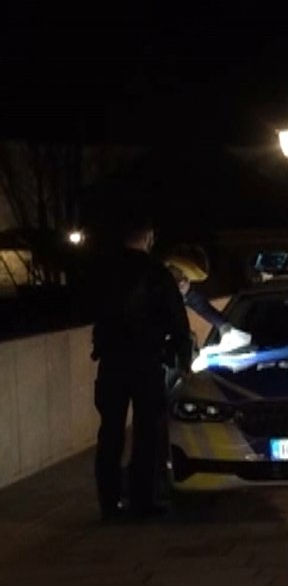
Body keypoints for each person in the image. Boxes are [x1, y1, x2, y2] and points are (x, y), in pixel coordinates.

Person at [87, 208, 191, 521]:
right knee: (148, 431)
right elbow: (177, 321)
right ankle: (143, 499)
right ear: (148, 237)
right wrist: (182, 358)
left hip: (112, 361)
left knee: (110, 433)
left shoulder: (103, 270)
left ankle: (109, 502)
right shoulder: (155, 272)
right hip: (145, 360)